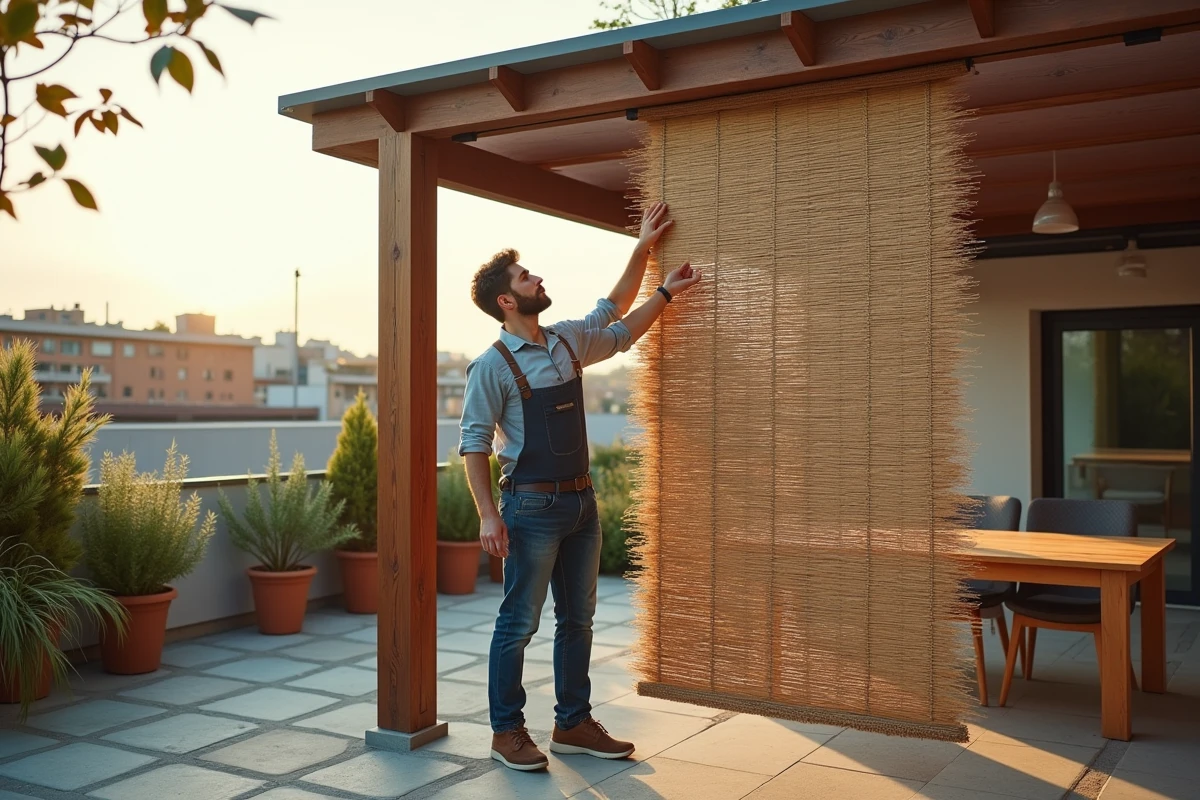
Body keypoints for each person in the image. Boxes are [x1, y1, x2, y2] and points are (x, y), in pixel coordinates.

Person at [458, 201, 701, 772]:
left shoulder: (565, 341)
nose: (537, 278)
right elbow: (473, 444)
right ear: (506, 301)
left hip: (581, 504)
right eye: (526, 277)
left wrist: (652, 270)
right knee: (518, 624)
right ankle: (506, 732)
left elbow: (616, 319)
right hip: (530, 506)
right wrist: (488, 515)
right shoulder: (491, 366)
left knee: (579, 621)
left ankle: (572, 724)